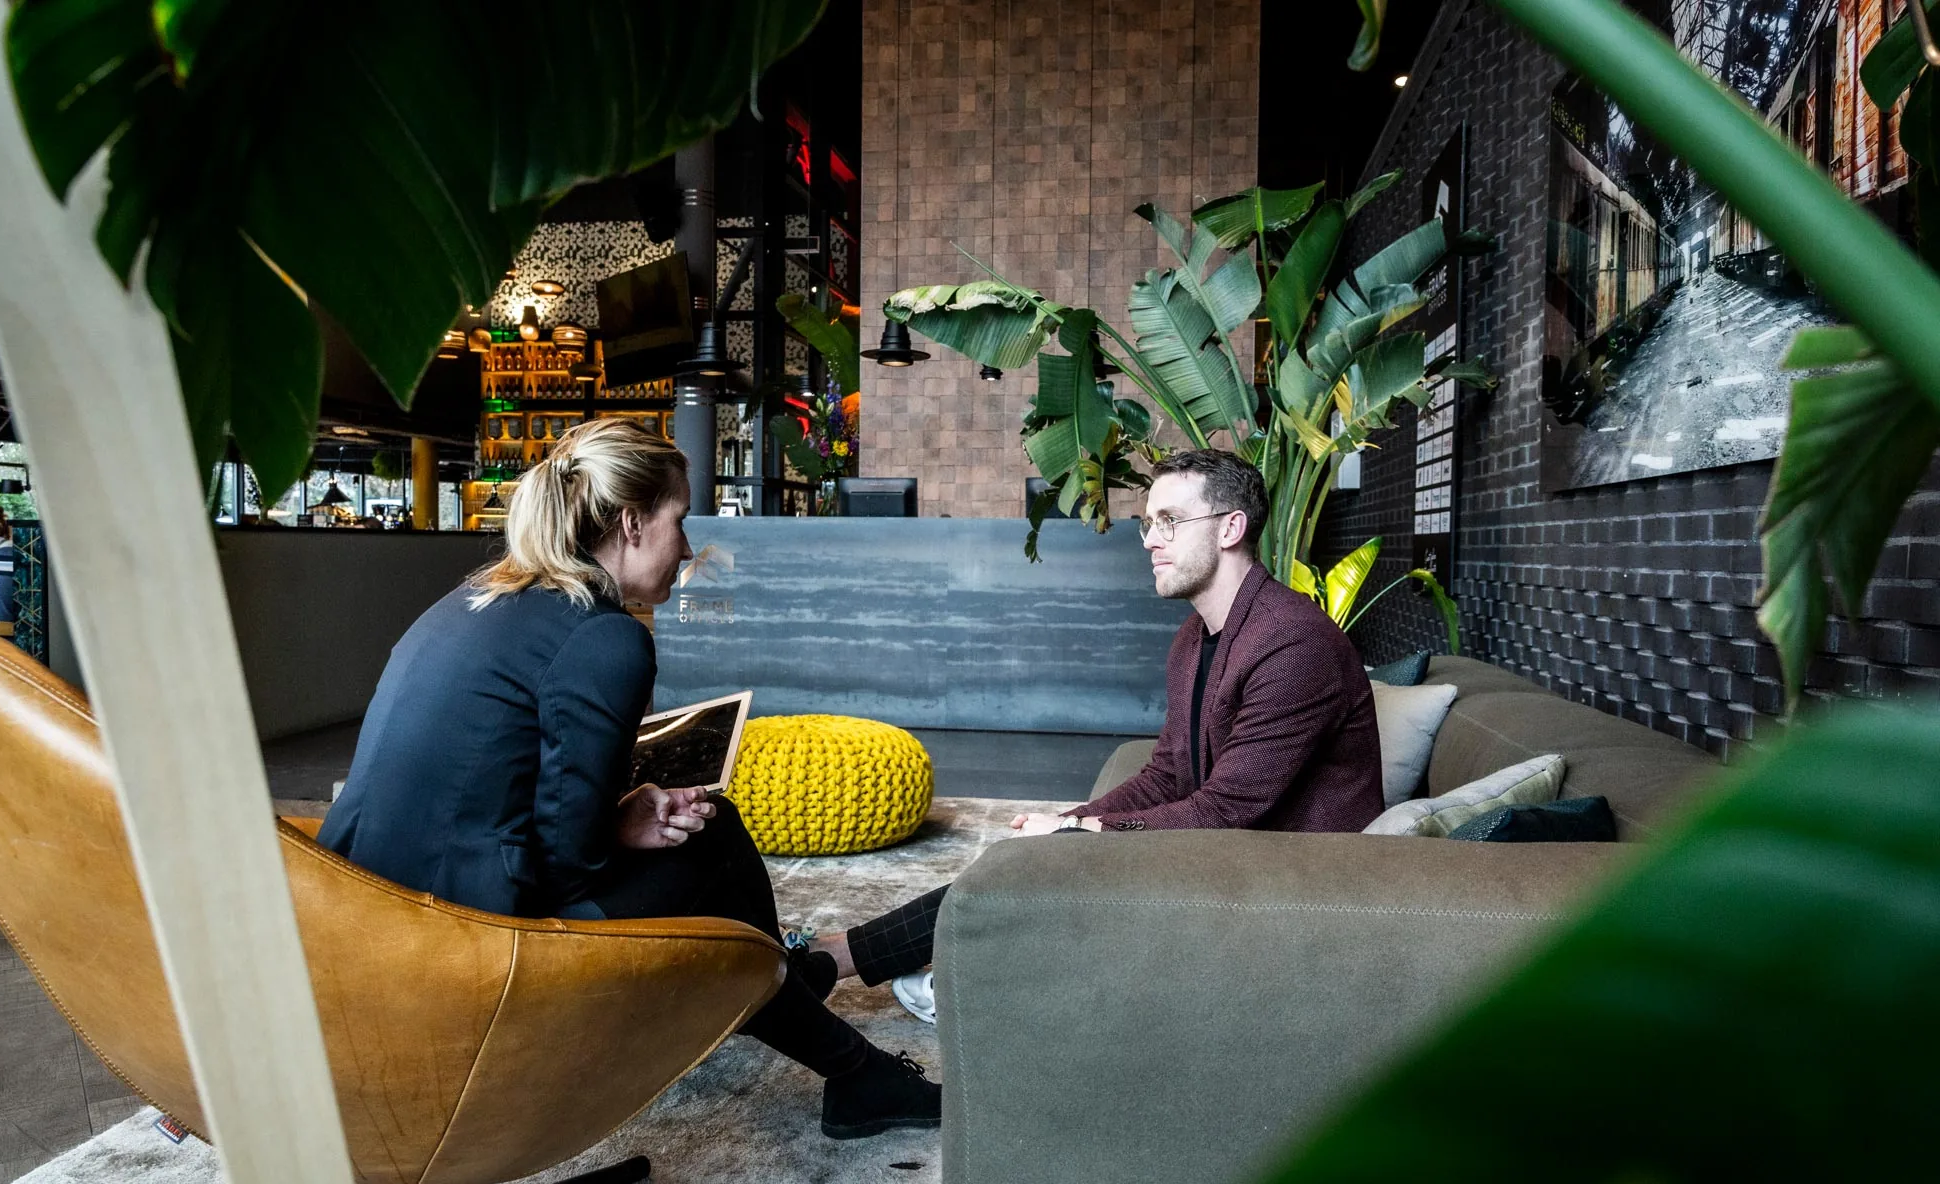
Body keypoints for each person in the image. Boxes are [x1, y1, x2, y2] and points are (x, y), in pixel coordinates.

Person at [316, 420, 939, 1139]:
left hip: (360, 917)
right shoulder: (606, 636)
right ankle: (828, 1043)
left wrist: (623, 814)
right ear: (633, 522)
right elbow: (567, 865)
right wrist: (620, 821)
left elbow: (497, 787)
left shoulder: (475, 601)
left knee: (703, 837)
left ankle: (796, 1007)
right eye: (681, 522)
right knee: (714, 839)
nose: (688, 549)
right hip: (467, 943)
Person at [812, 448, 1385, 1022]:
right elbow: (1169, 773)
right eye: (1148, 522)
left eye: (1170, 522)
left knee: (1066, 863)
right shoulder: (1195, 637)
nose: (1150, 541)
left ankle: (871, 964)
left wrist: (1086, 831)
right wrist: (1072, 822)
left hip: (1296, 878)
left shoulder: (1291, 641)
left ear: (1231, 527)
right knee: (1047, 855)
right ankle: (843, 957)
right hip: (1236, 849)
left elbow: (1229, 809)